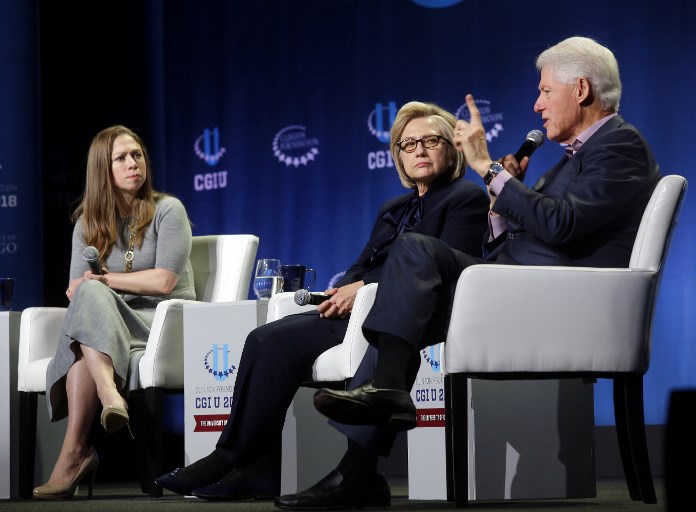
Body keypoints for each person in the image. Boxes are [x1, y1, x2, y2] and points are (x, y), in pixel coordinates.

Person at [297, 36, 661, 509]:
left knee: (414, 258)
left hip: (561, 301)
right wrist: (505, 203)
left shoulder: (620, 146)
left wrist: (489, 170)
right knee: (405, 300)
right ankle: (362, 459)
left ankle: (373, 425)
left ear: (582, 89)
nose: (537, 103)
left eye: (546, 91)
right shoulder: (573, 159)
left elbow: (564, 225)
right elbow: (530, 231)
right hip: (520, 285)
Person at [154, 101, 489, 502]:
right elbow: (359, 266)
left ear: (451, 148)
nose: (418, 150)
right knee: (266, 340)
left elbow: (444, 266)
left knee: (358, 338)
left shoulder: (465, 198)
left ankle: (354, 475)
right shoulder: (392, 209)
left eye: (430, 141)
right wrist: (344, 289)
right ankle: (244, 462)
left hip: (412, 312)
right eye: (407, 143)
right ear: (398, 155)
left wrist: (362, 288)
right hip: (361, 306)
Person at [33, 125, 195, 500]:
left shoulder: (168, 210)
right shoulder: (87, 223)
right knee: (87, 306)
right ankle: (98, 417)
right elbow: (77, 289)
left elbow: (165, 281)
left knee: (85, 329)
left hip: (164, 321)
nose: (132, 163)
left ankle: (78, 448)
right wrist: (91, 286)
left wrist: (105, 282)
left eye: (136, 155)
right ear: (101, 170)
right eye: (121, 158)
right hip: (112, 320)